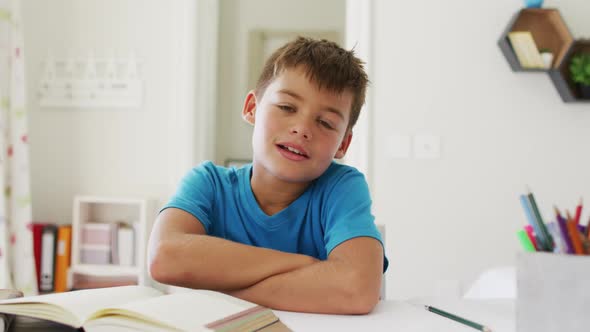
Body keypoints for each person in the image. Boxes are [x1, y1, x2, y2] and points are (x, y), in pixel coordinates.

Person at [148, 37, 388, 314]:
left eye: (325, 123)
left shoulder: (343, 187)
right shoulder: (207, 183)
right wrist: (308, 267)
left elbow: (356, 290)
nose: (302, 129)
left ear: (343, 145)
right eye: (287, 107)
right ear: (252, 107)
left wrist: (220, 285)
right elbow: (164, 258)